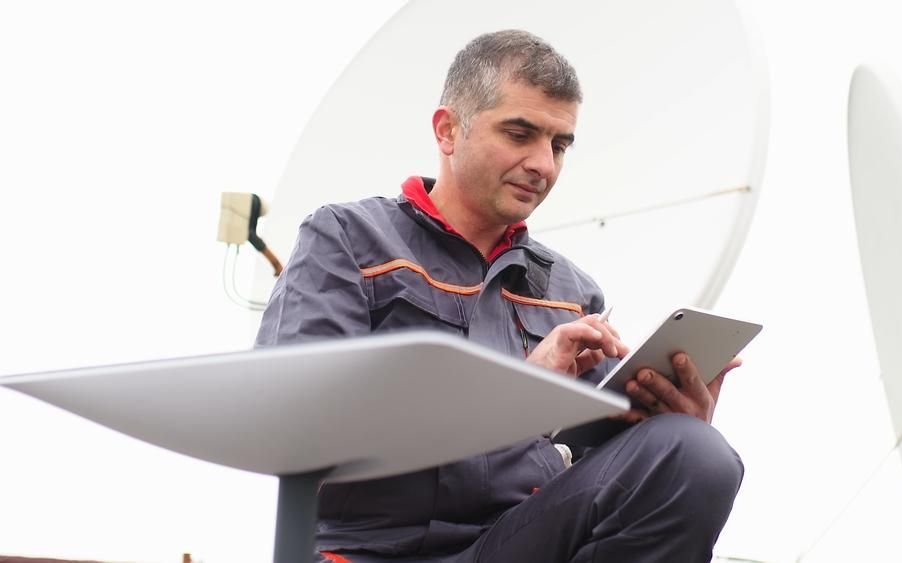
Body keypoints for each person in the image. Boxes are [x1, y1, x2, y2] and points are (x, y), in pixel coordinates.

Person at [256, 29, 744, 563]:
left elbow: (595, 476)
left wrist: (670, 428)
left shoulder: (571, 292)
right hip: (369, 552)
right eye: (519, 134)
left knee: (695, 455)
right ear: (447, 130)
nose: (545, 165)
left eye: (559, 145)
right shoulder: (347, 241)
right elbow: (292, 420)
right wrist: (515, 395)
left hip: (515, 544)